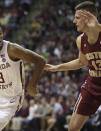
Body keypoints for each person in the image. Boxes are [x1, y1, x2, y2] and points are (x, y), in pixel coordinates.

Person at [44, 1, 101, 131]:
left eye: (77, 17)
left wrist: (97, 26)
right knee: (73, 128)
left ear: (87, 17)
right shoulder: (80, 40)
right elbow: (82, 62)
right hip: (93, 85)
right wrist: (57, 67)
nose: (74, 21)